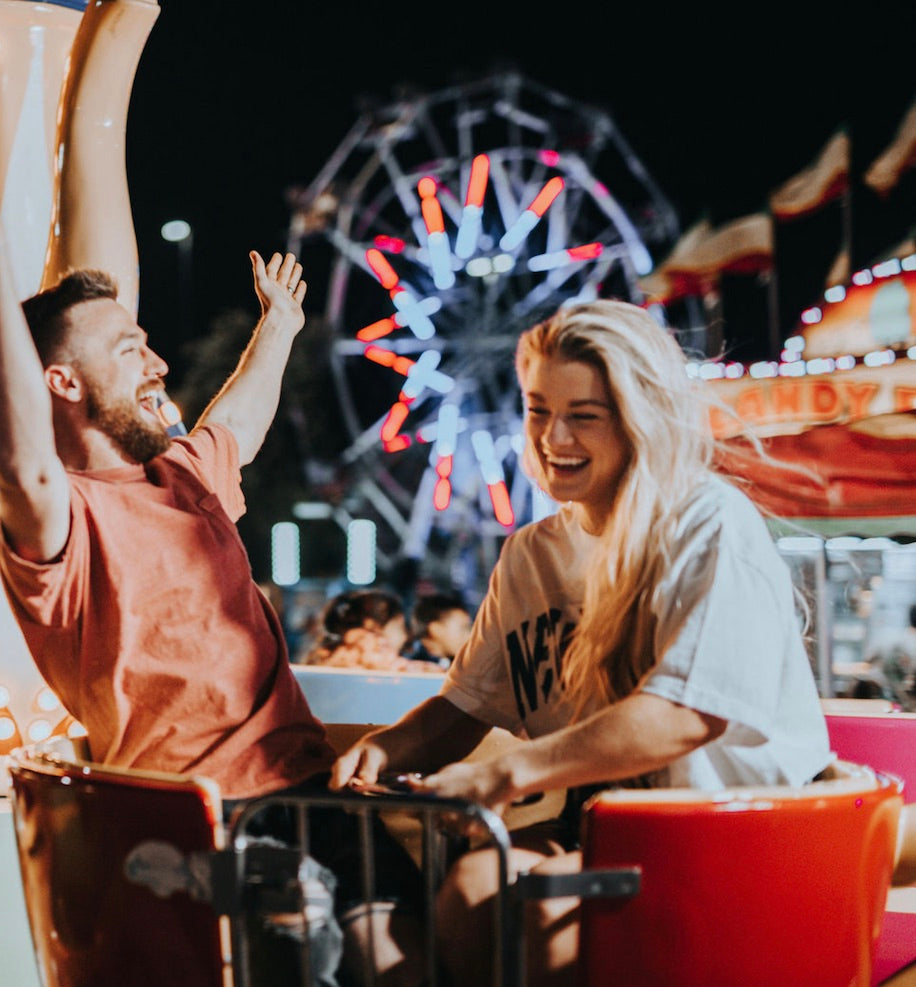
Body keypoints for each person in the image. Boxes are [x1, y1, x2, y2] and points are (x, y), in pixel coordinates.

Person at [0, 104, 420, 983]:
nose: (154, 364)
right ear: (60, 382)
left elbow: (241, 420)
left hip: (312, 799)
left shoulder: (186, 476)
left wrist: (282, 328)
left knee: (429, 943)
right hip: (200, 825)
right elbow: (16, 458)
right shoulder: (62, 520)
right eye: (129, 347)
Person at [330, 299, 833, 985]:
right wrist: (390, 745)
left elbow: (686, 711)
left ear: (640, 418)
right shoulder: (531, 554)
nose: (552, 436)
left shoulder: (708, 524)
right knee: (469, 893)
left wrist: (509, 772)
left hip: (737, 828)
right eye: (538, 409)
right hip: (609, 826)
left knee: (551, 913)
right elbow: (466, 704)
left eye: (584, 415)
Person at [303, 588, 411, 672]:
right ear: (373, 624)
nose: (405, 635)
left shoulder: (322, 653)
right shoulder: (381, 659)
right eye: (399, 625)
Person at [404, 593, 471, 671]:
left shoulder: (460, 663)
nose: (470, 635)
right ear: (436, 630)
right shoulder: (411, 666)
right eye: (463, 628)